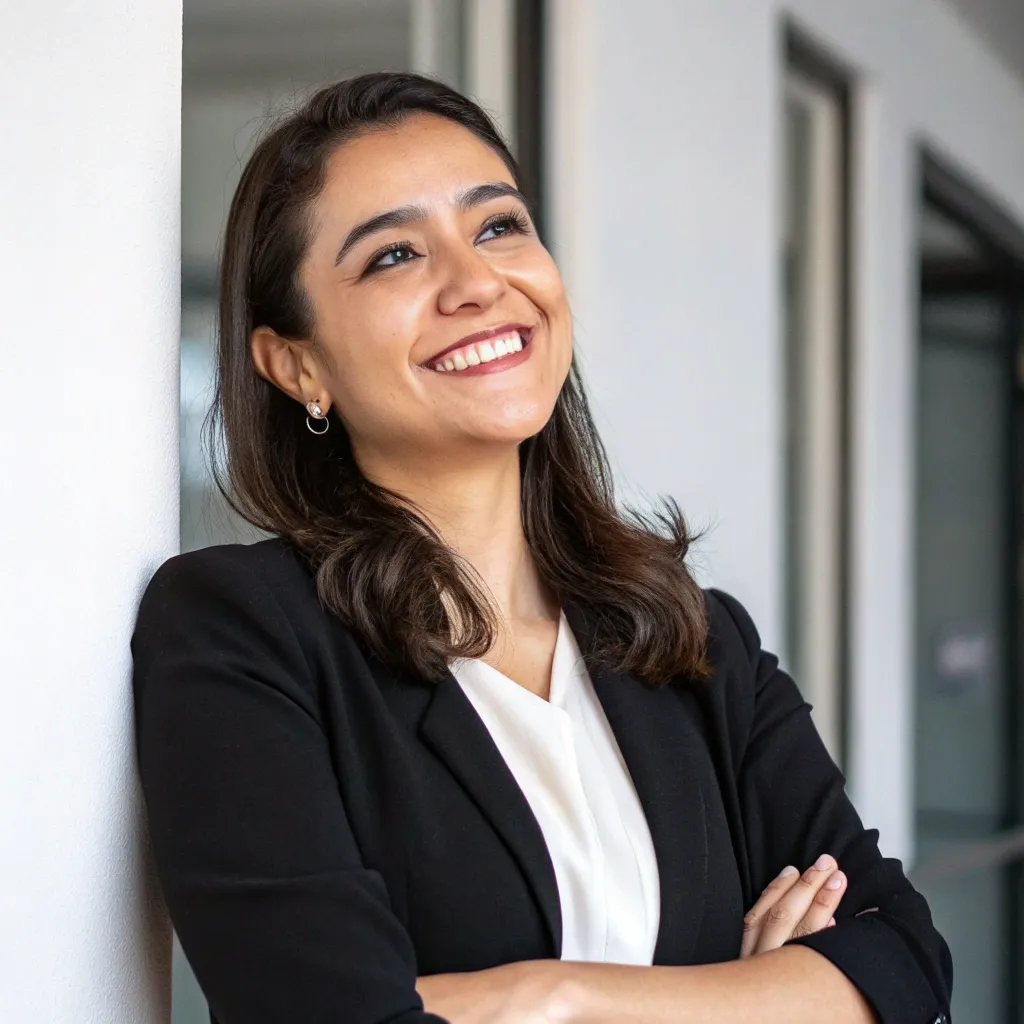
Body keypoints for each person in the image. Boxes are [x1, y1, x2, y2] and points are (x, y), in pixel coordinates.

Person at [131, 72, 952, 1024]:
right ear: (297, 364)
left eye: (498, 226)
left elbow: (903, 959)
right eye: (395, 255)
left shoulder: (693, 638)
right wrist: (749, 997)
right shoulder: (240, 633)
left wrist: (548, 995)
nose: (477, 283)